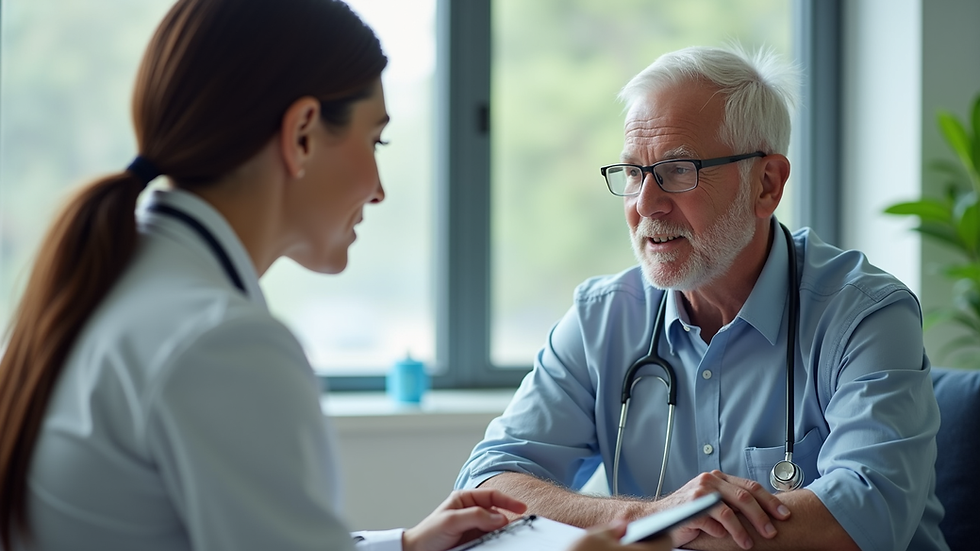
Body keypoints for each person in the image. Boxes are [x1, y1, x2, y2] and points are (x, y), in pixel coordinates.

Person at [0, 1, 671, 550]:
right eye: (374, 140)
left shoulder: (121, 286)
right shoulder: (220, 344)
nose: (378, 188)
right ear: (300, 134)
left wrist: (404, 546)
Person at [455, 45, 949, 551]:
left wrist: (659, 532)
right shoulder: (601, 319)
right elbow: (488, 487)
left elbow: (866, 515)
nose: (646, 203)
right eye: (632, 173)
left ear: (767, 184)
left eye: (678, 170)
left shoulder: (865, 315)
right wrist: (651, 518)